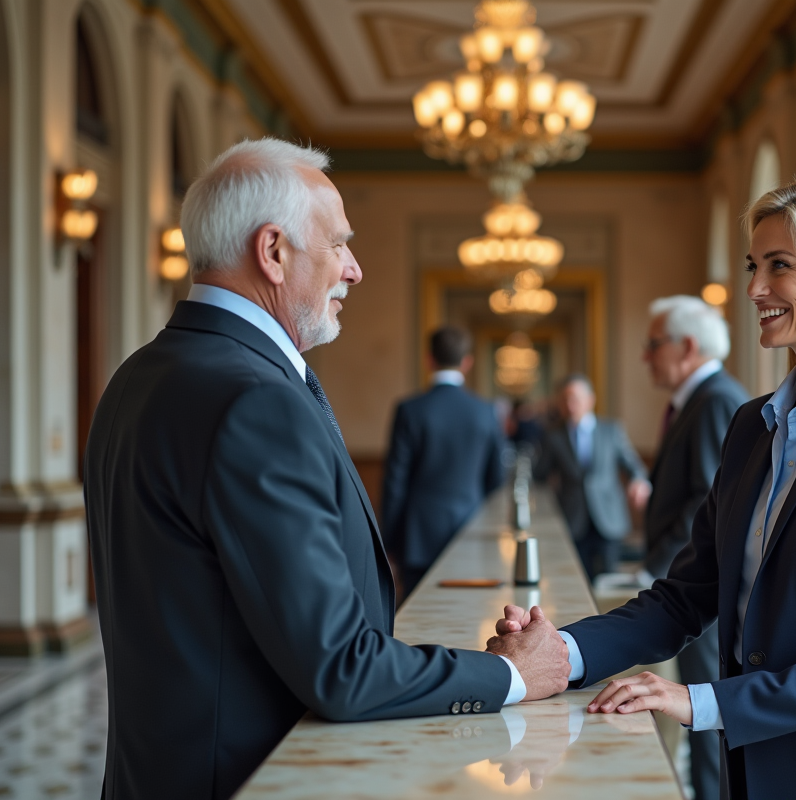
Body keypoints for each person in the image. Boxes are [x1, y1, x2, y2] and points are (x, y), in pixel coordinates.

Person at [83, 139, 570, 800]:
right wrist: (512, 675)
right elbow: (342, 668)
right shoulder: (256, 400)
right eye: (339, 245)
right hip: (251, 778)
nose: (355, 269)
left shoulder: (137, 375)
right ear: (273, 252)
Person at [490, 179, 796, 799]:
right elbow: (686, 596)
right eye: (753, 266)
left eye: (779, 266)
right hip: (757, 767)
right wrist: (562, 650)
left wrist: (699, 700)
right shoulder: (751, 425)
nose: (754, 289)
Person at [640, 295, 748, 800]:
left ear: (686, 346)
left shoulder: (715, 399)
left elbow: (705, 505)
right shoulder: (697, 400)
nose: (646, 356)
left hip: (701, 591)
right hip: (689, 583)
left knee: (707, 720)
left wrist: (658, 573)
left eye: (653, 345)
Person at [382, 325, 505, 598]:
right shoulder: (485, 411)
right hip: (471, 528)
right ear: (467, 362)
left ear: (429, 359)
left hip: (419, 535)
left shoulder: (410, 410)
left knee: (417, 618)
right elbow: (497, 476)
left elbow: (395, 483)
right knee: (468, 611)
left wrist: (388, 541)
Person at [535, 375, 650, 581]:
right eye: (565, 400)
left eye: (575, 399)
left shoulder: (611, 430)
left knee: (608, 580)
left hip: (608, 518)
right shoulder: (553, 436)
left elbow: (634, 466)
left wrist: (639, 481)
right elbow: (539, 475)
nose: (570, 405)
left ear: (590, 400)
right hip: (572, 518)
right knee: (577, 578)